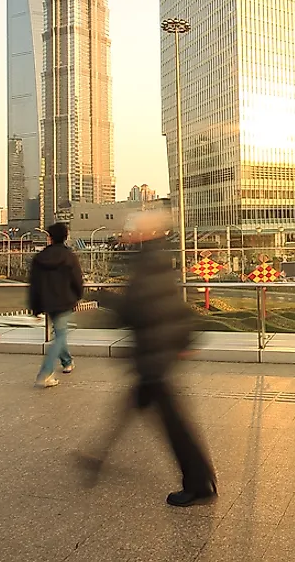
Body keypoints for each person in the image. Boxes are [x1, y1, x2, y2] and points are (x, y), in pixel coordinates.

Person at [82, 209, 216, 507]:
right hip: (156, 354)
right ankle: (96, 456)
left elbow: (140, 308)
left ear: (147, 234)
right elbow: (168, 306)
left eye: (133, 229)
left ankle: (198, 484)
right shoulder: (156, 260)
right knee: (134, 408)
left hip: (154, 356)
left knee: (174, 425)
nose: (128, 233)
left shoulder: (148, 262)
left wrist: (104, 299)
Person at [30, 222, 84, 387]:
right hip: (65, 301)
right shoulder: (69, 256)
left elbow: (34, 284)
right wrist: (78, 296)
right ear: (65, 237)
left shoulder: (39, 258)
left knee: (59, 332)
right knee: (60, 336)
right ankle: (45, 373)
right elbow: (77, 280)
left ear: (50, 238)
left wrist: (36, 306)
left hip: (48, 302)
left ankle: (67, 362)